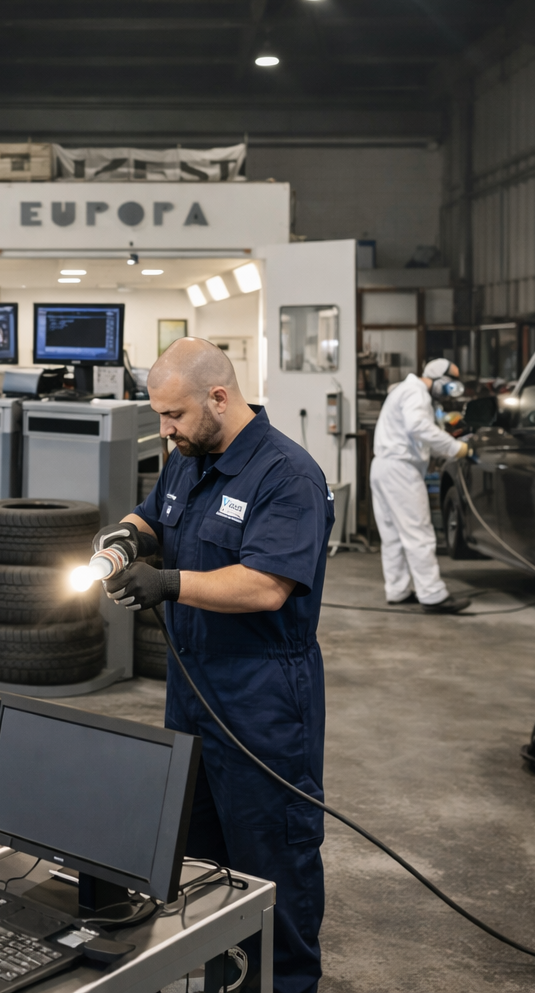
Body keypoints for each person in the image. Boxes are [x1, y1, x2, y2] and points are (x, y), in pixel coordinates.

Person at [91, 337, 331, 993]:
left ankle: (286, 981)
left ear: (219, 398)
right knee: (200, 855)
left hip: (264, 696)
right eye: (159, 418)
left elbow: (266, 585)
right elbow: (153, 516)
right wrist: (124, 540)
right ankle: (228, 974)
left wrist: (168, 584)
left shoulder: (288, 476)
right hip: (193, 689)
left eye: (173, 416)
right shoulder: (187, 457)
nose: (165, 432)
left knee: (270, 854)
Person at [369, 357, 471, 613]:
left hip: (382, 466)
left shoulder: (406, 390)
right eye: (450, 383)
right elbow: (418, 428)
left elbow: (419, 430)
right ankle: (433, 595)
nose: (452, 389)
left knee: (392, 534)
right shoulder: (416, 393)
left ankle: (398, 590)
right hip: (401, 470)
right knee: (419, 533)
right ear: (438, 380)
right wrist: (455, 447)